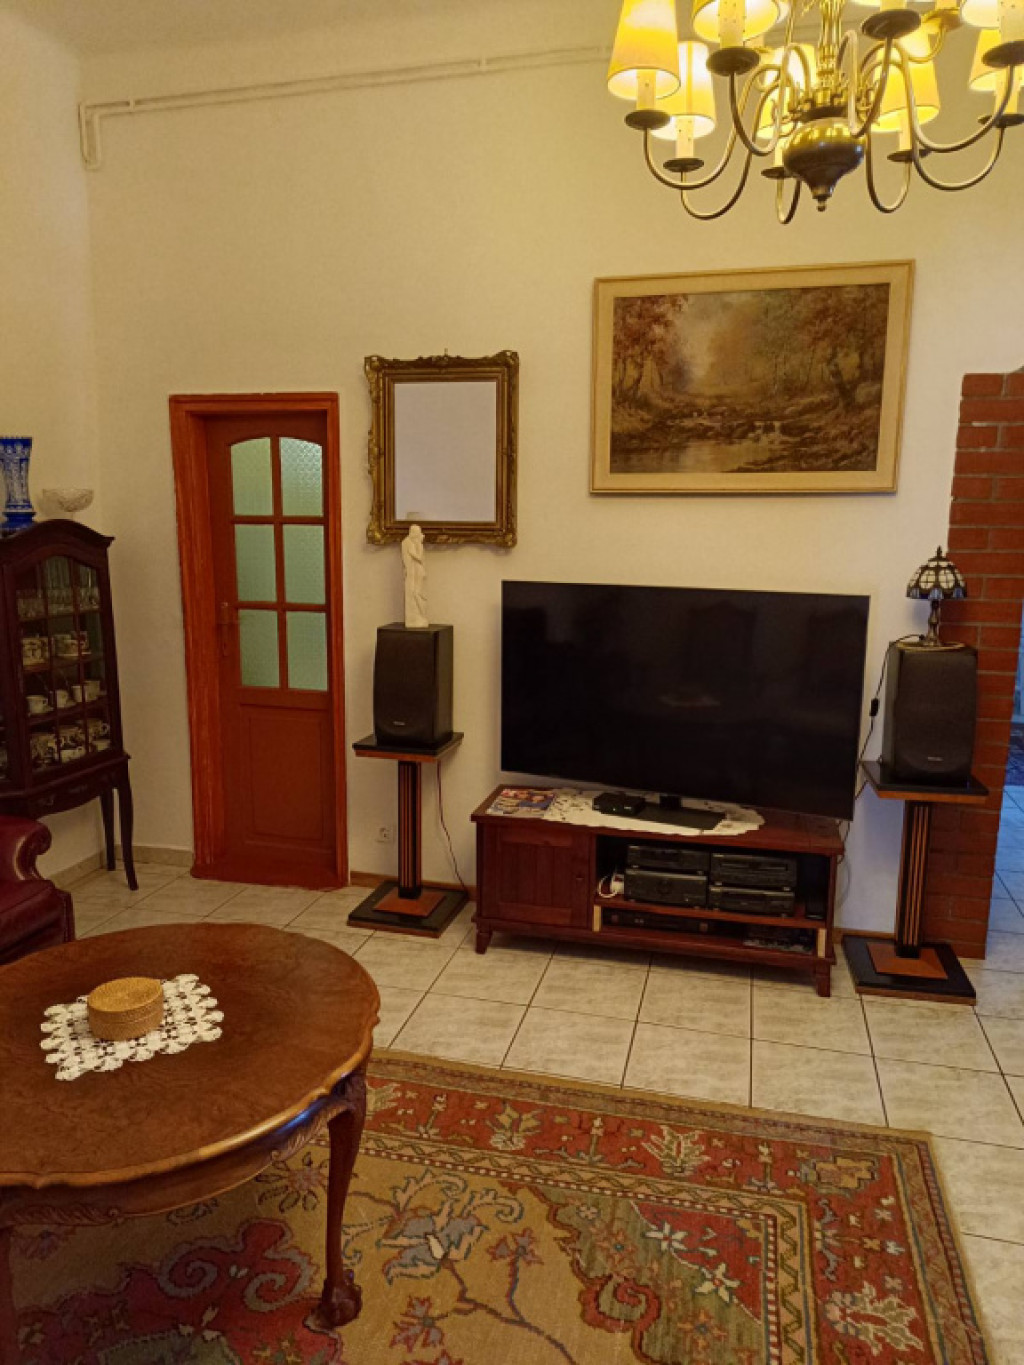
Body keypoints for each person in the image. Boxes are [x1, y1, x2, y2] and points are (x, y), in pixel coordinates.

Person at [401, 524, 428, 628]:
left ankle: (420, 616)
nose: (420, 534)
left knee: (418, 593)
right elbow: (418, 556)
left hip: (416, 570)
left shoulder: (412, 542)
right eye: (418, 533)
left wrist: (419, 543)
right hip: (412, 571)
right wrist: (419, 544)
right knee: (415, 593)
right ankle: (416, 618)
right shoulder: (407, 542)